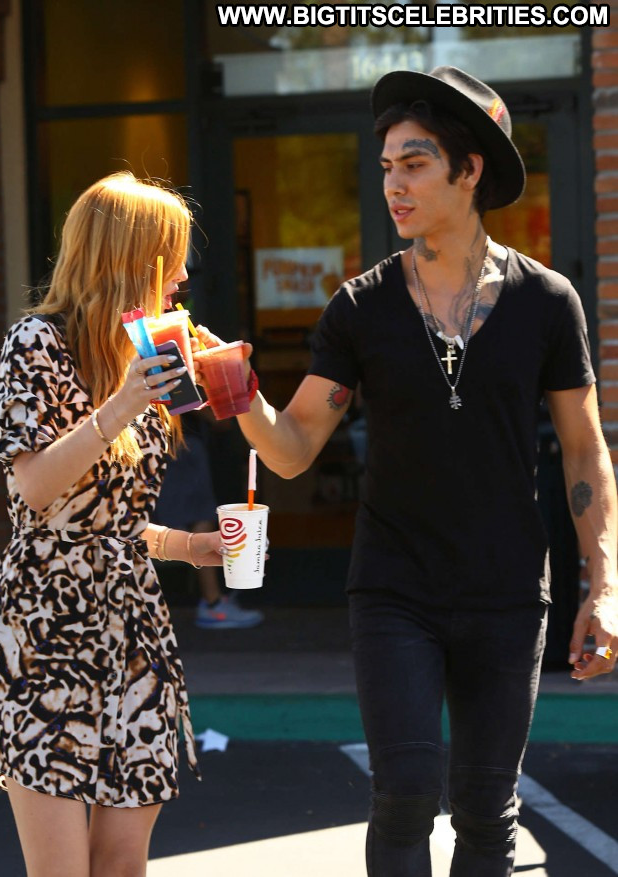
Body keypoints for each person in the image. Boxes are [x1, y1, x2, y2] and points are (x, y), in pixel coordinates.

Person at [193, 67, 618, 876]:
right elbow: (293, 446)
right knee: (406, 792)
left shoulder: (546, 301)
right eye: (387, 165)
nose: (393, 183)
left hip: (505, 589)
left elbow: (584, 450)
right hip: (396, 588)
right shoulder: (361, 307)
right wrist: (237, 390)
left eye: (415, 164)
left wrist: (605, 585)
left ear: (470, 170)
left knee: (487, 810)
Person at [0, 172, 228, 877]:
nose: (182, 275)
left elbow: (109, 523)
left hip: (134, 632)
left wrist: (190, 546)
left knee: (120, 864)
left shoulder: (139, 354)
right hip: (44, 632)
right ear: (130, 257)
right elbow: (35, 492)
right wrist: (121, 404)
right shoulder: (36, 342)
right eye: (172, 257)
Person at [152, 410, 264, 629]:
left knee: (193, 516)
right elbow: (208, 413)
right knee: (201, 515)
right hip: (179, 443)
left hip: (171, 442)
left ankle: (212, 602)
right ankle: (213, 603)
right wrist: (216, 412)